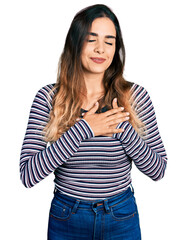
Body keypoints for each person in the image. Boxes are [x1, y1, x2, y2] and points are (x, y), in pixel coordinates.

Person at [20, 4, 167, 240]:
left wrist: (120, 128)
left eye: (109, 42)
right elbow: (28, 175)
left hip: (121, 217)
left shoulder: (135, 97)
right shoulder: (48, 99)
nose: (101, 49)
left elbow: (158, 170)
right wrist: (85, 129)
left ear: (116, 49)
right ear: (75, 43)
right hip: (67, 218)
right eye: (92, 39)